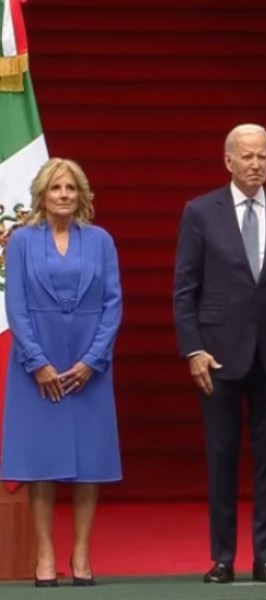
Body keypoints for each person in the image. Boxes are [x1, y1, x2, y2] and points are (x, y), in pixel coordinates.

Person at [173, 124, 266, 584]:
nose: (256, 165)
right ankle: (222, 557)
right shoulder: (200, 212)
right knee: (222, 457)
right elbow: (185, 288)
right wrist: (192, 348)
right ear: (228, 161)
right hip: (217, 354)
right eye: (247, 157)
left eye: (263, 157)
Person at [0, 158, 123, 587]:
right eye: (56, 188)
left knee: (89, 461)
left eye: (71, 188)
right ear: (41, 194)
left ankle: (82, 551)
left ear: (82, 194)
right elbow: (15, 306)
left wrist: (93, 360)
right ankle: (46, 552)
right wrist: (37, 363)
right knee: (41, 461)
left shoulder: (101, 240)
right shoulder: (20, 242)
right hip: (37, 363)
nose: (64, 195)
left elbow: (113, 303)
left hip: (88, 364)